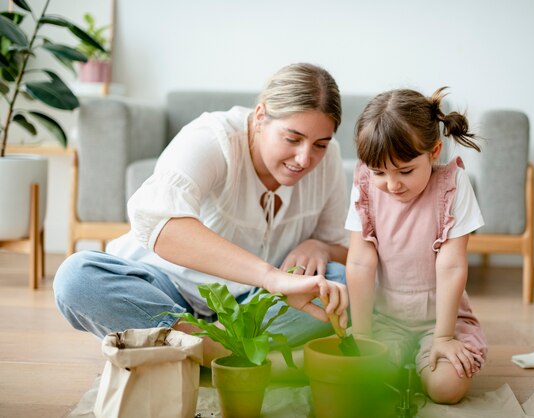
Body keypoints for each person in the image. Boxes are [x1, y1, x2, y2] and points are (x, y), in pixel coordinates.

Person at [54, 63, 350, 366]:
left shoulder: (328, 160)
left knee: (340, 284)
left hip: (251, 307)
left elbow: (342, 250)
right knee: (77, 278)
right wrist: (270, 277)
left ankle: (184, 349)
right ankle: (219, 351)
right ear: (261, 116)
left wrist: (319, 246)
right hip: (166, 291)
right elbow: (159, 221)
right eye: (292, 139)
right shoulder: (213, 137)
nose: (305, 158)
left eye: (320, 145)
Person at [345, 87, 488, 404]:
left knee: (446, 388)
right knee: (361, 381)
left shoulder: (453, 185)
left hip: (442, 319)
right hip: (384, 318)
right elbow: (359, 263)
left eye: (406, 171)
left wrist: (444, 337)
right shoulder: (365, 186)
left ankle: (423, 356)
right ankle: (402, 360)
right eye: (379, 172)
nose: (392, 185)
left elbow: (451, 265)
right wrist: (363, 336)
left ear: (434, 151)